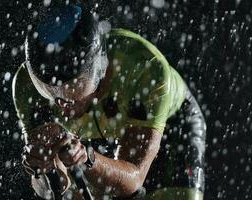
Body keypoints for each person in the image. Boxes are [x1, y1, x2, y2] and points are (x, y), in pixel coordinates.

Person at [12, 2, 206, 200]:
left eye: (72, 88)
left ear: (98, 69)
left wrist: (88, 159)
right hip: (101, 126)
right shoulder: (26, 86)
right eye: (51, 91)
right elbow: (56, 188)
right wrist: (44, 168)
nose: (62, 104)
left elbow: (132, 181)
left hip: (170, 129)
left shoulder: (145, 69)